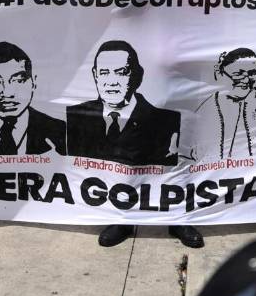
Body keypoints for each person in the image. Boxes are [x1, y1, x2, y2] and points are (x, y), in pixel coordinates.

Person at [67, 40, 201, 249]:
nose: (111, 82)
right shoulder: (76, 116)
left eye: (121, 72)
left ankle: (178, 218)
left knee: (177, 166)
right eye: (104, 73)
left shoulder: (166, 121)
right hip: (106, 194)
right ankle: (121, 219)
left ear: (136, 76)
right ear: (95, 75)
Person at [188, 48, 256, 161]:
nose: (246, 81)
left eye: (252, 74)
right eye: (239, 74)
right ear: (220, 74)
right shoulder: (203, 113)